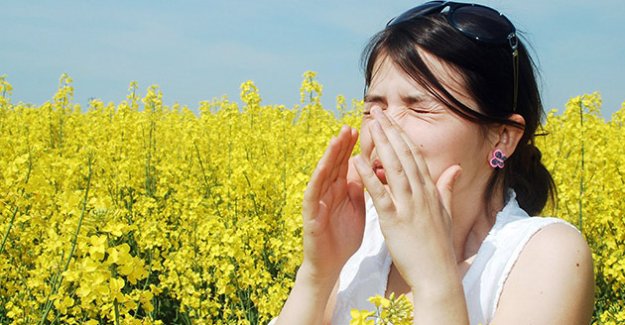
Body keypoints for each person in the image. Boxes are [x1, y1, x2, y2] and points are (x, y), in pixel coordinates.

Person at [273, 2, 594, 324]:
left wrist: (434, 282)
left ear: (503, 138)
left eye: (420, 108)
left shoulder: (546, 255)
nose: (383, 129)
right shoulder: (361, 240)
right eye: (373, 108)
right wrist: (317, 274)